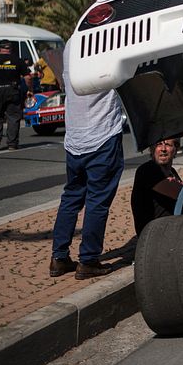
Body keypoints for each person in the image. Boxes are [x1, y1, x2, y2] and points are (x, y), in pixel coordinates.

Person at [49, 43, 126, 279]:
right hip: (103, 134)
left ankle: (58, 258)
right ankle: (88, 260)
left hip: (75, 137)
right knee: (97, 200)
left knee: (71, 197)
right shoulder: (111, 41)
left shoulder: (72, 44)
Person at [0, 40, 33, 150]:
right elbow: (28, 78)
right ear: (11, 49)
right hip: (13, 91)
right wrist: (30, 90)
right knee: (13, 117)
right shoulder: (18, 61)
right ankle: (12, 144)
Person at [131, 138, 183, 236]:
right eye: (159, 144)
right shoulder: (148, 169)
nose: (163, 149)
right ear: (152, 149)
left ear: (176, 149)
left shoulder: (172, 172)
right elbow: (181, 194)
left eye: (168, 145)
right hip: (155, 235)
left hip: (170, 228)